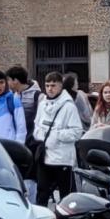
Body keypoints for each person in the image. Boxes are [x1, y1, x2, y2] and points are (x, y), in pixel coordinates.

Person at [34, 72, 84, 204]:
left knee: (65, 196)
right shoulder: (42, 104)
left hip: (62, 159)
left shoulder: (69, 106)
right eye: (47, 85)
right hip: (45, 157)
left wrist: (57, 135)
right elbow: (37, 125)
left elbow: (77, 132)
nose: (50, 89)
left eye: (53, 85)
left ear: (61, 86)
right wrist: (40, 135)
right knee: (42, 193)